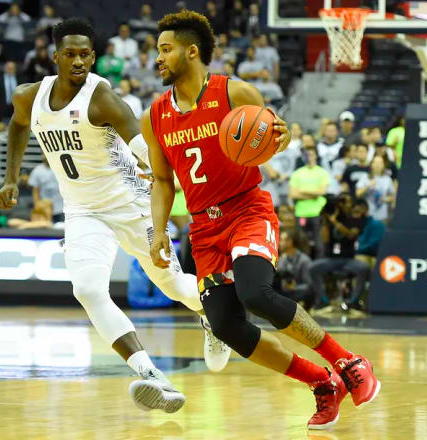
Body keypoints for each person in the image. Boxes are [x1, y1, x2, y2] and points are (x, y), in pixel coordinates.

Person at [142, 10, 380, 430]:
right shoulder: (154, 116)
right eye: (156, 51)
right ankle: (322, 383)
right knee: (226, 325)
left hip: (247, 209)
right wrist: (158, 231)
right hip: (204, 229)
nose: (157, 58)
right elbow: (162, 181)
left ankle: (348, 361)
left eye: (165, 49)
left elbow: (272, 132)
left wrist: (281, 137)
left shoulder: (235, 93)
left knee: (256, 293)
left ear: (191, 51)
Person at [0, 18, 231, 413]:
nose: (79, 61)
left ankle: (212, 315)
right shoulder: (27, 97)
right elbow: (18, 127)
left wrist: (158, 169)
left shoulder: (101, 97)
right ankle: (151, 375)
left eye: (86, 54)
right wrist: (11, 178)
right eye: (70, 54)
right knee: (86, 290)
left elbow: (142, 144)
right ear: (55, 57)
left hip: (131, 204)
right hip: (83, 210)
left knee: (172, 286)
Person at [309, 193, 370, 313]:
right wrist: (326, 222)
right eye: (341, 202)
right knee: (312, 268)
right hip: (331, 259)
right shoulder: (330, 218)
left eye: (346, 201)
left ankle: (354, 301)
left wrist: (335, 222)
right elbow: (325, 240)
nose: (344, 204)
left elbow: (351, 234)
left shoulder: (354, 219)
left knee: (363, 268)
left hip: (348, 259)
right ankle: (323, 300)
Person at [289, 147, 330, 257]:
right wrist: (313, 194)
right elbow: (293, 194)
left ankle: (319, 268)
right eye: (307, 155)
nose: (309, 157)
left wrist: (302, 191)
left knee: (319, 244)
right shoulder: (297, 173)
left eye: (311, 154)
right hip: (301, 213)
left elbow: (322, 191)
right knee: (302, 244)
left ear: (316, 156)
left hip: (318, 213)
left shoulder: (322, 172)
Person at [356, 156, 396, 223]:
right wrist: (367, 186)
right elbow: (358, 194)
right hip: (367, 216)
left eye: (380, 163)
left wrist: (385, 199)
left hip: (383, 217)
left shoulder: (387, 179)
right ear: (371, 164)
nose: (378, 165)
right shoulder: (365, 177)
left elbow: (393, 197)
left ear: (383, 165)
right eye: (376, 162)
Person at [28, 156, 64, 223]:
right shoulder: (37, 170)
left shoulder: (61, 168)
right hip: (44, 208)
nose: (45, 156)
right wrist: (37, 206)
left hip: (61, 208)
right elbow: (35, 191)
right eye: (43, 154)